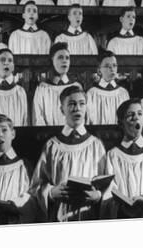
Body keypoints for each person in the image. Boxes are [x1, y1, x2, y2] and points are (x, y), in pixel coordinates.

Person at [30, 85, 107, 222]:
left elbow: (108, 184)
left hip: (88, 215)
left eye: (81, 104)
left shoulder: (96, 145)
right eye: (71, 104)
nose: (77, 108)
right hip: (60, 214)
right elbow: (36, 185)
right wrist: (51, 193)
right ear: (62, 109)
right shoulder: (52, 146)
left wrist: (98, 195)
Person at [32, 42, 82, 126]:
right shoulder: (43, 88)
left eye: (67, 58)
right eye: (60, 58)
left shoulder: (76, 86)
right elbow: (38, 116)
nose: (64, 61)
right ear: (52, 60)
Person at [86, 51, 130, 125]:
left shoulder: (123, 93)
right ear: (99, 70)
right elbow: (88, 120)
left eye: (114, 65)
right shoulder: (92, 93)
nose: (112, 68)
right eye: (107, 66)